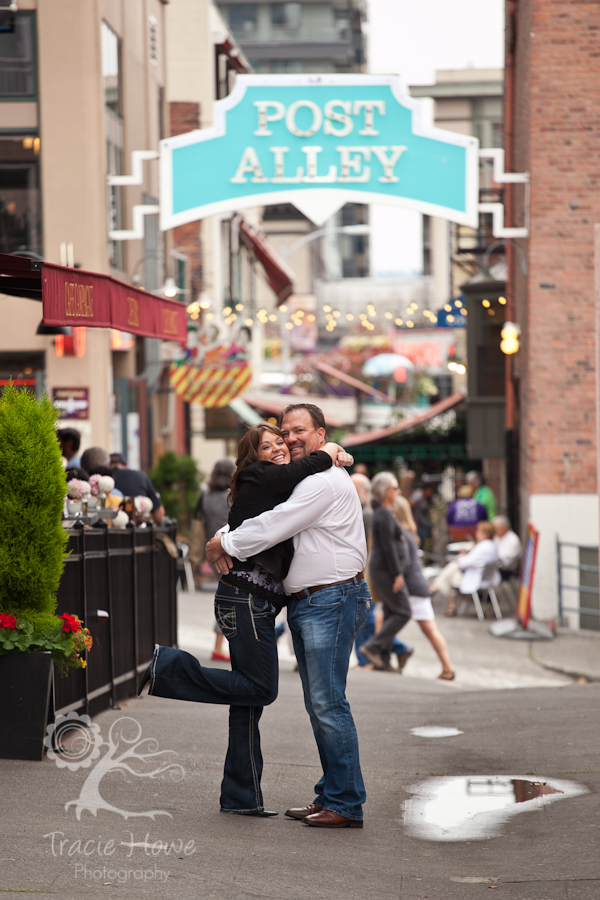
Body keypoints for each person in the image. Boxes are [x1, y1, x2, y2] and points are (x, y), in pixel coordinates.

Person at [140, 421, 351, 819]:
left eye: (280, 443)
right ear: (253, 458)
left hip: (253, 601)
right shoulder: (262, 474)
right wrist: (330, 449)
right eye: (268, 445)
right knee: (261, 689)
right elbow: (280, 495)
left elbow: (257, 521)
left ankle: (241, 796)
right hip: (245, 599)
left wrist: (333, 455)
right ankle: (167, 668)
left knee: (246, 699)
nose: (278, 449)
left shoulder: (273, 486)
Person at [207, 403, 370, 829]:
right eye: (284, 433)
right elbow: (263, 511)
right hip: (314, 602)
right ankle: (332, 794)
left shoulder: (323, 483)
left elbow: (275, 524)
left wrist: (224, 543)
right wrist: (225, 534)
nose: (290, 439)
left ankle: (345, 802)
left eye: (298, 431)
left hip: (329, 599)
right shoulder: (311, 476)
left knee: (327, 703)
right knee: (321, 704)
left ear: (320, 434)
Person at [350, 473, 411, 670]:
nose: (398, 492)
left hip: (384, 569)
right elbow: (388, 547)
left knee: (391, 611)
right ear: (385, 492)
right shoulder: (382, 514)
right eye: (395, 488)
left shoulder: (384, 512)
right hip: (385, 571)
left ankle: (383, 660)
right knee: (403, 611)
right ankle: (374, 648)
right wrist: (397, 574)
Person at [393, 495, 455, 680]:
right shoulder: (409, 533)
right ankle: (446, 668)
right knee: (429, 629)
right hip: (417, 587)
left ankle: (396, 654)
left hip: (411, 588)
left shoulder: (401, 534)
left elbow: (402, 563)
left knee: (382, 624)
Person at [195, 458, 236, 662]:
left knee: (227, 596)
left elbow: (198, 520)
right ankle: (220, 646)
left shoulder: (205, 495)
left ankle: (219, 645)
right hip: (233, 551)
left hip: (213, 552)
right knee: (232, 600)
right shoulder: (233, 495)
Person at [432, 520, 500, 616]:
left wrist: (461, 557)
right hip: (486, 577)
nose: (476, 533)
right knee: (452, 572)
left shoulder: (483, 547)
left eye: (478, 531)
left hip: (477, 578)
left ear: (485, 534)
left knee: (452, 571)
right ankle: (438, 591)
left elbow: (464, 563)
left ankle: (435, 588)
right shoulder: (492, 545)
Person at [110, 452, 165, 524]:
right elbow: (159, 516)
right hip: (138, 530)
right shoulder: (142, 477)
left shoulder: (102, 479)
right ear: (126, 467)